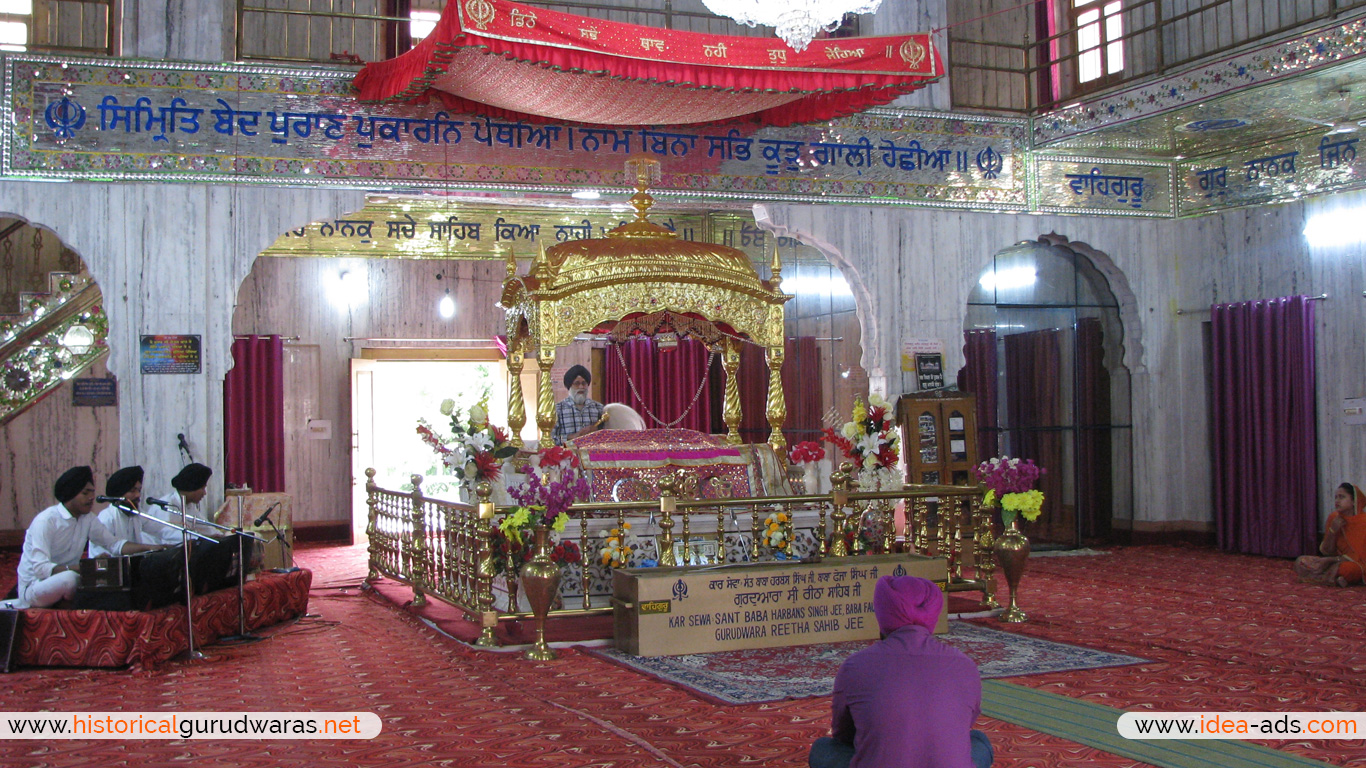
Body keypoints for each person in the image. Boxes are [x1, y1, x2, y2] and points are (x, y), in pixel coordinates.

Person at [810, 576, 993, 768]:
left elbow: (843, 734)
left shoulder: (855, 666)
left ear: (882, 613)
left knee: (823, 748)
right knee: (977, 740)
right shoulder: (965, 666)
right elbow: (961, 726)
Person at [12, 466, 164, 609]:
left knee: (112, 580)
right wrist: (83, 568)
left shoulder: (88, 519)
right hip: (34, 588)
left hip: (73, 579)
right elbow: (40, 569)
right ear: (70, 494)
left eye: (92, 492)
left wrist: (150, 548)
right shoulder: (46, 521)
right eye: (85, 493)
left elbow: (114, 545)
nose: (92, 497)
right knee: (71, 579)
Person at [1294, 482, 1366, 587]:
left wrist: (1331, 560)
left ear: (1354, 501)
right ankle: (1336, 579)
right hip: (1334, 561)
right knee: (1301, 561)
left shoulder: (1363, 522)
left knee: (1348, 569)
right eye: (1336, 497)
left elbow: (1361, 557)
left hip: (1356, 564)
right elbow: (1327, 551)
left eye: (1342, 497)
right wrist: (1333, 531)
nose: (1337, 501)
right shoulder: (1334, 518)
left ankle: (1328, 577)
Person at [89, 465, 160, 557]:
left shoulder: (136, 513)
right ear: (120, 495)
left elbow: (160, 530)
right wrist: (149, 547)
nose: (138, 495)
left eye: (139, 490)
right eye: (132, 491)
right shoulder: (107, 517)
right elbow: (108, 553)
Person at [146, 463, 214, 546]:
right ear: (192, 487)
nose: (205, 493)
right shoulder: (167, 505)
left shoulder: (189, 505)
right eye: (202, 488)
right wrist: (201, 537)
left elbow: (204, 526)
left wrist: (221, 535)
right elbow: (167, 534)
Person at [552, 364, 605, 445]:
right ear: (569, 386)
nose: (581, 387)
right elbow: (551, 439)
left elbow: (607, 435)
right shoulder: (558, 409)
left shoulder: (598, 408)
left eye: (584, 383)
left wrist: (596, 430)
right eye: (576, 383)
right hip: (568, 456)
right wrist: (571, 437)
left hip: (592, 454)